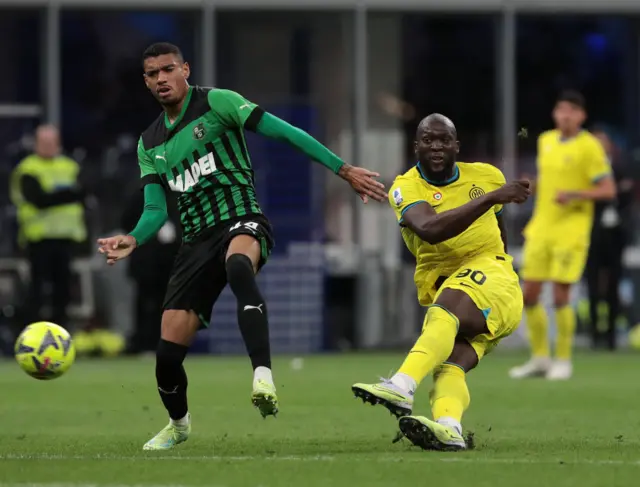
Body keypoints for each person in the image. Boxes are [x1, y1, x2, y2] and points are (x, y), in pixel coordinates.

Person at [97, 42, 386, 451]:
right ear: (145, 82)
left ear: (185, 69)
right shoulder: (150, 144)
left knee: (238, 266)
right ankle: (178, 425)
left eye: (167, 69)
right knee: (166, 358)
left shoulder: (218, 103)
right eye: (152, 74)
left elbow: (286, 132)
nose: (161, 79)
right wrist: (133, 238)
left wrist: (342, 168)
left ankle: (263, 375)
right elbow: (155, 209)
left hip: (240, 218)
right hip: (195, 243)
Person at [351, 114, 530, 451]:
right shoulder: (406, 187)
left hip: (492, 277)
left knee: (445, 309)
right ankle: (450, 427)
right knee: (448, 366)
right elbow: (430, 230)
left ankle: (402, 385)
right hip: (456, 288)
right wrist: (492, 198)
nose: (436, 146)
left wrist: (502, 274)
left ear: (456, 146)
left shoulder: (487, 176)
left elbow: (500, 233)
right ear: (415, 145)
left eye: (444, 139)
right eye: (428, 140)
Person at [509, 91, 616, 381]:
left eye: (571, 110)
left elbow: (608, 189)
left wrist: (574, 194)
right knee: (529, 294)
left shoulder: (590, 147)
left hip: (572, 230)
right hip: (541, 227)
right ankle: (540, 358)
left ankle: (564, 359)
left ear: (581, 115)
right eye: (560, 109)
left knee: (560, 295)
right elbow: (550, 180)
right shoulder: (545, 141)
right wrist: (531, 185)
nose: (565, 115)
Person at [9, 125, 87, 327]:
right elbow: (38, 199)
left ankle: (61, 331)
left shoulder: (70, 166)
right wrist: (69, 195)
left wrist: (56, 196)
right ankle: (32, 331)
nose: (48, 146)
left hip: (67, 239)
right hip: (38, 239)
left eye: (52, 142)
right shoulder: (28, 168)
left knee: (63, 291)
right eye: (44, 142)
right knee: (37, 290)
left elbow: (84, 192)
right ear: (35, 144)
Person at [585, 128, 634, 350]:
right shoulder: (585, 169)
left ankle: (612, 336)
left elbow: (628, 192)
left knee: (614, 283)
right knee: (592, 283)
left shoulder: (621, 164)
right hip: (592, 232)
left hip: (616, 233)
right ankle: (596, 334)